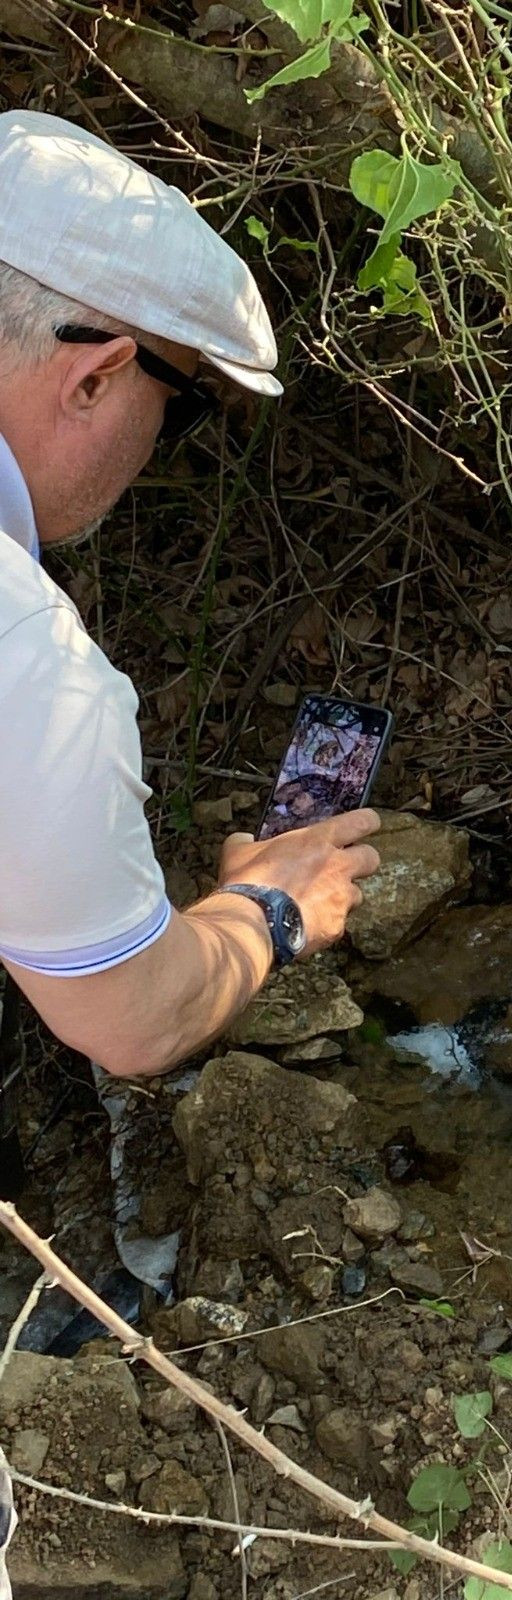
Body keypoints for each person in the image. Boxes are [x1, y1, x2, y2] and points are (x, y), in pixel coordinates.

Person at [0, 110, 381, 1079]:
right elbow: (136, 1018)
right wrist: (273, 904)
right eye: (181, 411)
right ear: (96, 377)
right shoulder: (24, 656)